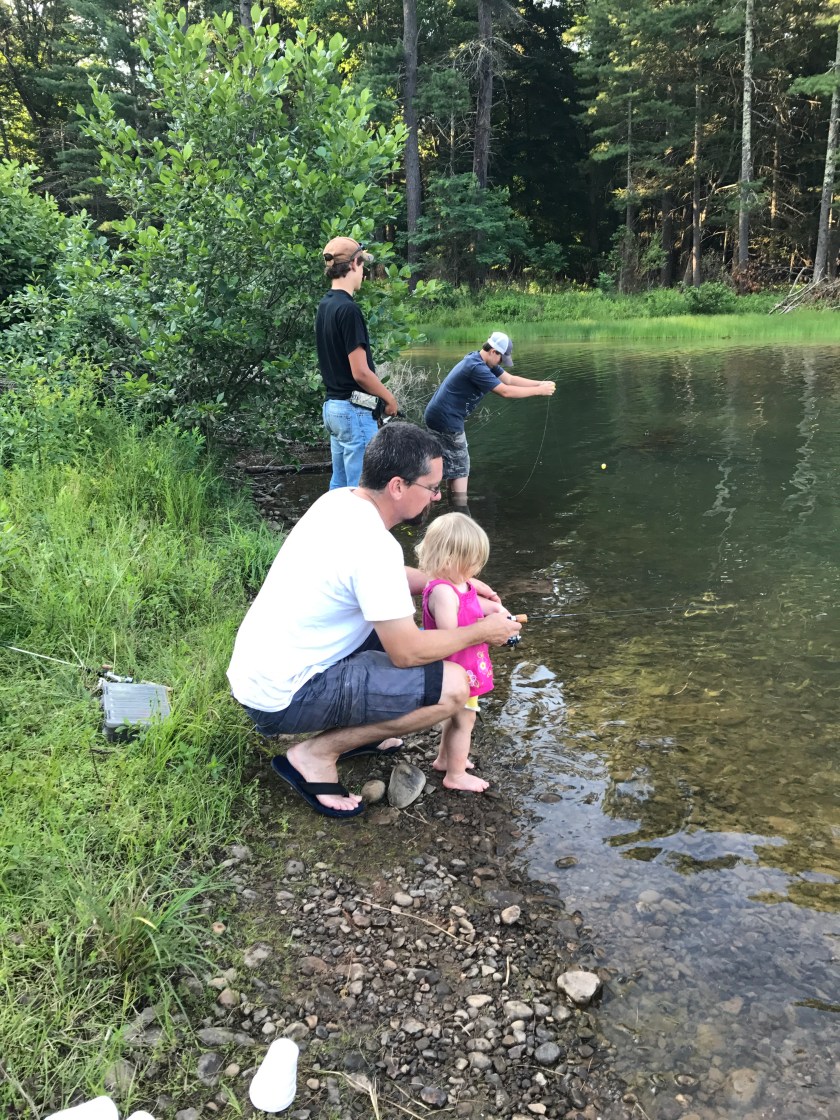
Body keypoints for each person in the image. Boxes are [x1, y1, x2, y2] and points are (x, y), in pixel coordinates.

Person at [226, 422, 521, 819]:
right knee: (453, 686)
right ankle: (315, 755)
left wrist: (450, 583)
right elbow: (407, 653)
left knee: (409, 638)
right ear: (398, 486)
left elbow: (383, 578)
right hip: (285, 698)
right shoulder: (374, 545)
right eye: (431, 487)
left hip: (260, 675)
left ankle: (360, 734)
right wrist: (483, 630)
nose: (436, 497)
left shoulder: (338, 502)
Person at [417, 512, 509, 793]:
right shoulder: (443, 592)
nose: (476, 567)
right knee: (465, 720)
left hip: (467, 666)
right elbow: (451, 634)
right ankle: (455, 775)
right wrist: (484, 629)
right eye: (472, 561)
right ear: (449, 559)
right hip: (457, 669)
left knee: (457, 717)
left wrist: (499, 612)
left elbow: (477, 606)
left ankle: (445, 760)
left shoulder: (460, 584)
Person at [423, 331, 556, 502]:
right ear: (493, 351)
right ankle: (460, 509)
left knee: (453, 465)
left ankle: (449, 503)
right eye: (501, 359)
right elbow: (505, 391)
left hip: (438, 416)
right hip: (446, 419)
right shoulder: (476, 367)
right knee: (462, 468)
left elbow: (509, 379)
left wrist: (540, 384)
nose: (501, 363)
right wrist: (539, 392)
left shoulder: (481, 361)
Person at [316, 236, 399, 489]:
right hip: (353, 412)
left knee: (340, 486)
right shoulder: (349, 310)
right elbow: (360, 372)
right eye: (363, 265)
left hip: (333, 409)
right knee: (362, 489)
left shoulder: (325, 305)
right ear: (354, 264)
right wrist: (390, 400)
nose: (363, 272)